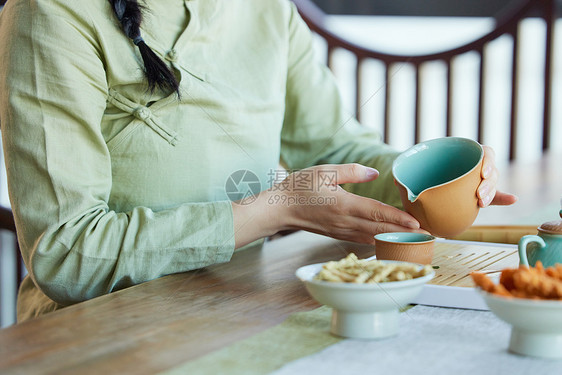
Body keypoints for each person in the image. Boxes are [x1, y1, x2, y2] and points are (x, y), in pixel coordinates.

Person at [0, 0, 516, 322]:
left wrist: (427, 181)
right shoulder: (51, 11)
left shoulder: (268, 8)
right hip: (92, 336)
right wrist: (272, 209)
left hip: (235, 309)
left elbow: (333, 151)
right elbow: (65, 254)